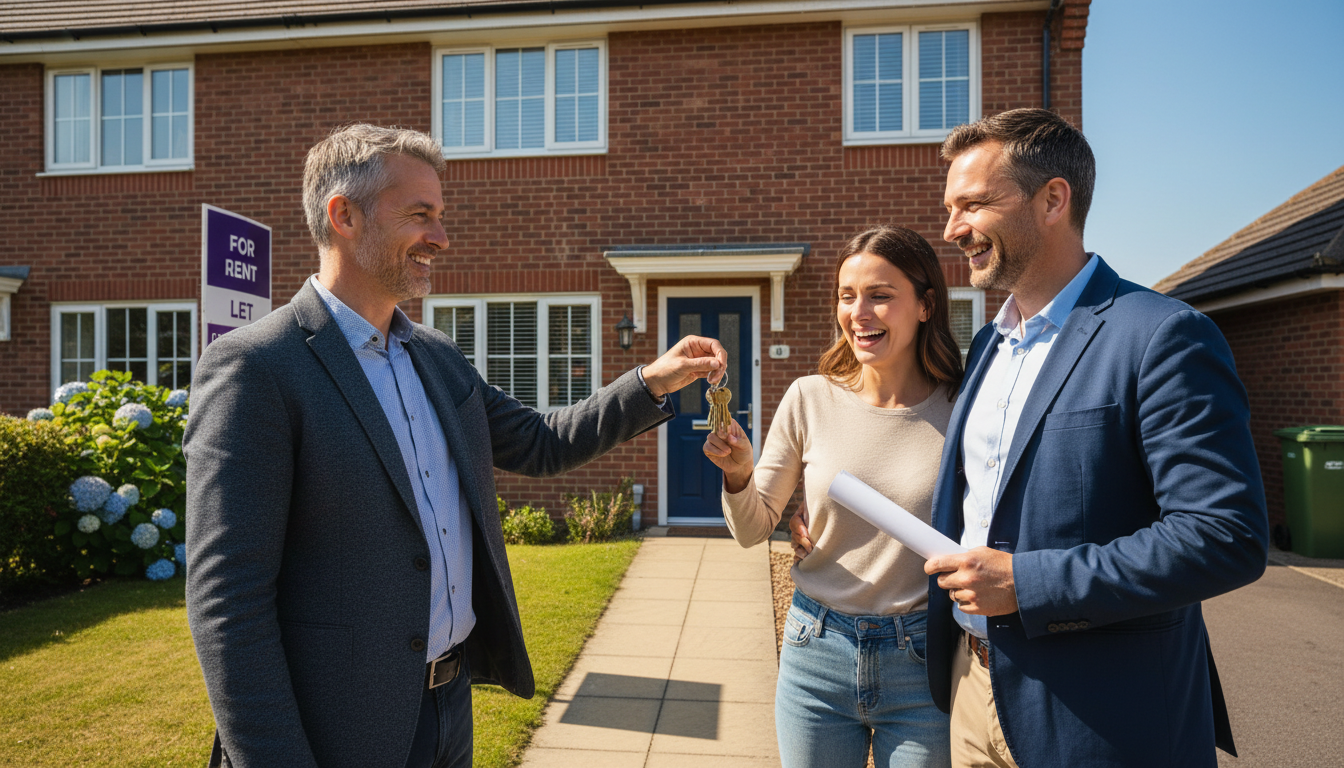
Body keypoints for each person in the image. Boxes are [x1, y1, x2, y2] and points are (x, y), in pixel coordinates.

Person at [183, 123, 725, 768]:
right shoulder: (256, 368)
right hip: (339, 727)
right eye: (420, 215)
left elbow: (539, 442)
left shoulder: (434, 356)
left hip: (448, 707)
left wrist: (649, 382)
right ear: (344, 215)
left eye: (439, 216)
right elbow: (228, 599)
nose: (440, 237)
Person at [920, 108, 1265, 767]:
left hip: (1100, 717)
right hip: (972, 694)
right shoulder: (988, 341)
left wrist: (1030, 581)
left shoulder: (1161, 335)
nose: (952, 229)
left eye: (973, 205)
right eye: (949, 208)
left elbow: (1225, 535)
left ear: (1053, 199)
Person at [704, 225, 964, 767]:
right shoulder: (809, 398)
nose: (859, 312)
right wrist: (738, 476)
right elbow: (753, 529)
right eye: (847, 296)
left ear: (925, 306)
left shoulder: (963, 407)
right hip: (815, 651)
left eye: (880, 296)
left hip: (920, 660)